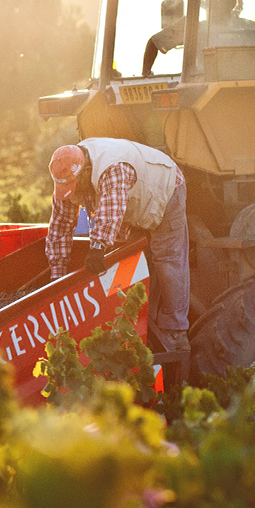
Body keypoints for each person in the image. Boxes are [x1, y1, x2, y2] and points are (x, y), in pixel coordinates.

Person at [45, 138, 190, 353]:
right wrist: (57, 274)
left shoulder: (113, 168)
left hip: (164, 187)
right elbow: (60, 225)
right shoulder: (68, 172)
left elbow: (110, 213)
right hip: (133, 201)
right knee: (130, 259)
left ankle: (175, 330)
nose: (71, 190)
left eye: (73, 185)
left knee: (167, 259)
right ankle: (139, 322)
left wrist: (97, 247)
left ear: (85, 171)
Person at [143, 0, 255, 76]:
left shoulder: (252, 27)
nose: (223, 1)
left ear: (233, 1)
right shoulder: (192, 26)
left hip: (247, 86)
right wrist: (146, 74)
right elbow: (154, 43)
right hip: (202, 85)